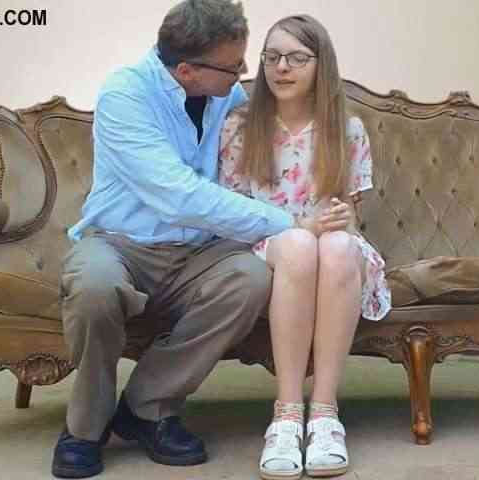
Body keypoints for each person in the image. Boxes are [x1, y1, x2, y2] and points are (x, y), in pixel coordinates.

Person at [51, 2, 350, 478]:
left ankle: (146, 407)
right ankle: (84, 429)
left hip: (198, 252)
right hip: (120, 243)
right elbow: (178, 196)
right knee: (93, 288)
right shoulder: (126, 94)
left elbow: (279, 135)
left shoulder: (224, 97)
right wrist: (291, 223)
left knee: (251, 279)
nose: (244, 73)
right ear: (187, 71)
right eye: (233, 67)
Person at [218, 14, 392, 479]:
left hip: (332, 247)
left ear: (321, 65)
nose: (282, 67)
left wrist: (337, 222)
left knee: (336, 247)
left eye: (297, 58)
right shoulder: (239, 127)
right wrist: (301, 226)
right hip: (268, 245)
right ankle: (287, 415)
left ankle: (325, 415)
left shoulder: (347, 129)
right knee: (297, 244)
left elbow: (352, 215)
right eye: (272, 57)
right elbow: (232, 214)